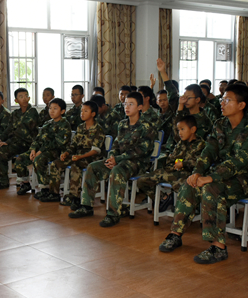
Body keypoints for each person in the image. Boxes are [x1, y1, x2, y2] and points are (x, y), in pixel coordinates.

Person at [158, 84, 248, 264]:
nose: (222, 103)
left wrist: (211, 177)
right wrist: (197, 172)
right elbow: (208, 151)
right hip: (223, 174)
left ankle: (218, 246)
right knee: (190, 184)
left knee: (211, 188)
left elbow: (240, 161)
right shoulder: (220, 124)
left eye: (227, 100)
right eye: (222, 99)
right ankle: (175, 234)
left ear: (241, 105)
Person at [69, 91, 157, 228]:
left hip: (138, 163)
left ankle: (113, 214)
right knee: (93, 167)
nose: (127, 107)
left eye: (131, 104)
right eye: (125, 104)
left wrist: (117, 159)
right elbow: (116, 144)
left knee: (117, 171)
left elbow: (141, 150)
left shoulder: (147, 126)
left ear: (140, 107)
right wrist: (112, 157)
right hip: (119, 161)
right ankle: (86, 206)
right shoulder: (122, 124)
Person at [134, 115, 206, 211]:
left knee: (184, 187)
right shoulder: (181, 143)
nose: (180, 133)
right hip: (172, 172)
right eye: (178, 130)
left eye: (182, 129)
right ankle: (164, 199)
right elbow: (171, 159)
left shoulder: (201, 144)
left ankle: (190, 208)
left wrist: (183, 164)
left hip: (187, 175)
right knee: (142, 180)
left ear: (193, 129)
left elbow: (199, 163)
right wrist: (178, 163)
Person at [0, 87, 39, 190]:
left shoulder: (32, 111)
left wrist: (7, 142)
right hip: (15, 143)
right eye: (21, 97)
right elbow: (9, 129)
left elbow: (21, 131)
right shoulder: (15, 113)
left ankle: (3, 181)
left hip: (27, 144)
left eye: (26, 96)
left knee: (0, 151)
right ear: (16, 100)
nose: (24, 99)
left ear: (29, 98)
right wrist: (0, 139)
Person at [49, 100, 105, 207]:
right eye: (81, 111)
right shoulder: (80, 127)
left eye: (85, 111)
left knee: (76, 165)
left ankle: (74, 196)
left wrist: (80, 156)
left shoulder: (98, 129)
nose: (82, 113)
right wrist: (66, 153)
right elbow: (73, 145)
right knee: (56, 163)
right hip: (78, 156)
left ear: (93, 114)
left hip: (91, 157)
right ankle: (54, 193)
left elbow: (96, 150)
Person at [14, 98, 71, 198]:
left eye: (55, 108)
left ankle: (45, 188)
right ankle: (25, 183)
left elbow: (57, 143)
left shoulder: (64, 124)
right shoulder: (47, 123)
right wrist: (33, 149)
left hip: (56, 152)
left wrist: (40, 151)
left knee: (39, 160)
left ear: (62, 111)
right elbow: (38, 139)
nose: (51, 111)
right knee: (20, 159)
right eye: (50, 108)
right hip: (42, 150)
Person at [165, 84, 212, 151]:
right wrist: (180, 105)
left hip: (189, 153)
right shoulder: (184, 114)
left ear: (197, 99)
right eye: (184, 97)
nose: (185, 100)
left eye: (188, 98)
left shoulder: (203, 120)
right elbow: (174, 132)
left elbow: (180, 138)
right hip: (173, 150)